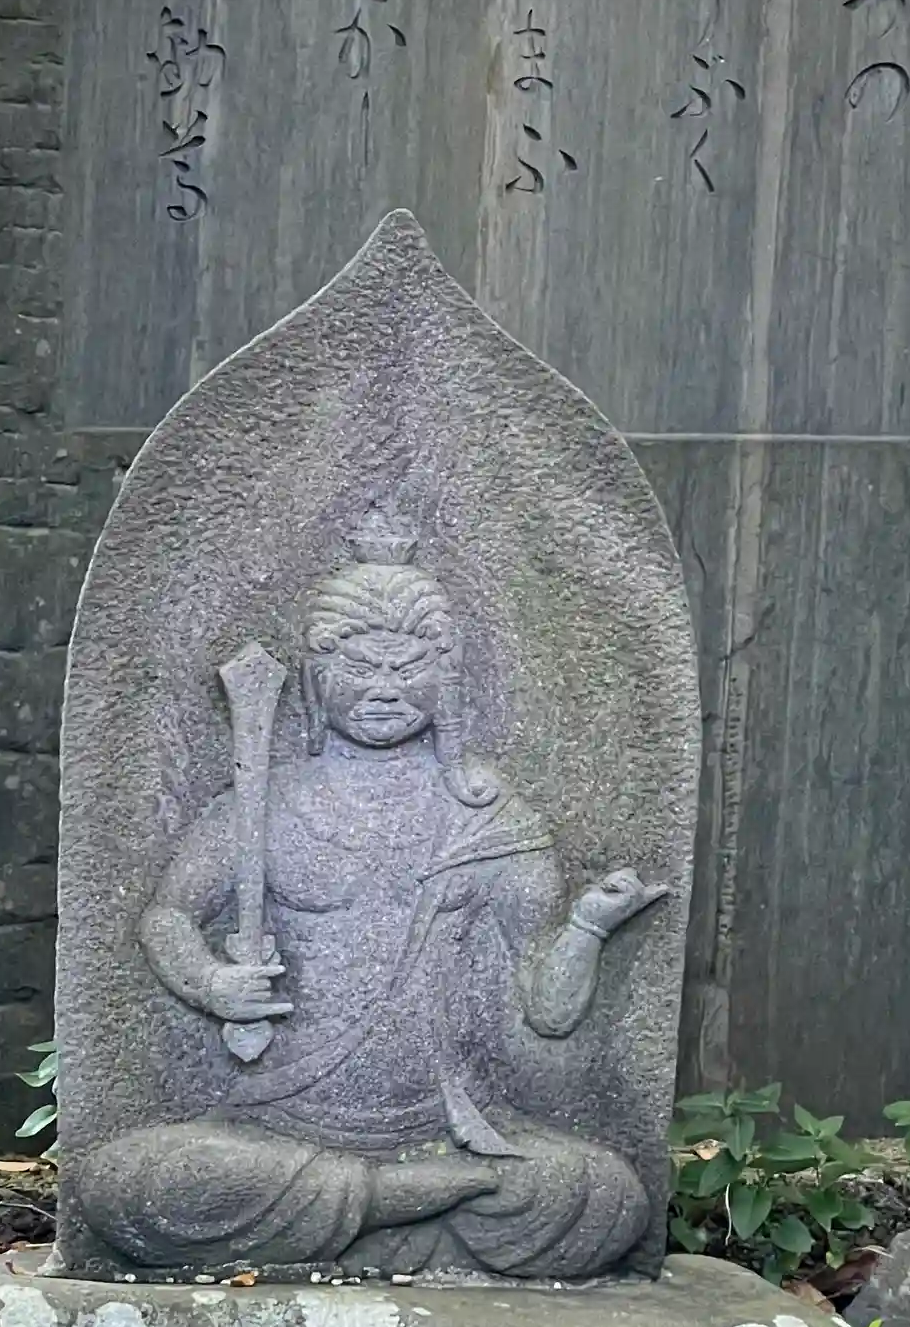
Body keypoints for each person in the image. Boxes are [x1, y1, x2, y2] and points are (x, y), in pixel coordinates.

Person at [78, 515, 665, 1277]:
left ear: (446, 682)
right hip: (278, 1124)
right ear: (316, 681)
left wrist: (588, 924)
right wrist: (212, 984)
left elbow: (547, 1011)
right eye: (359, 667)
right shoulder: (266, 803)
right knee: (130, 1186)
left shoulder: (485, 817)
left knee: (602, 1198)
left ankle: (359, 1216)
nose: (384, 689)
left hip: (446, 1127)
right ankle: (398, 1207)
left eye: (407, 668)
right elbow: (168, 917)